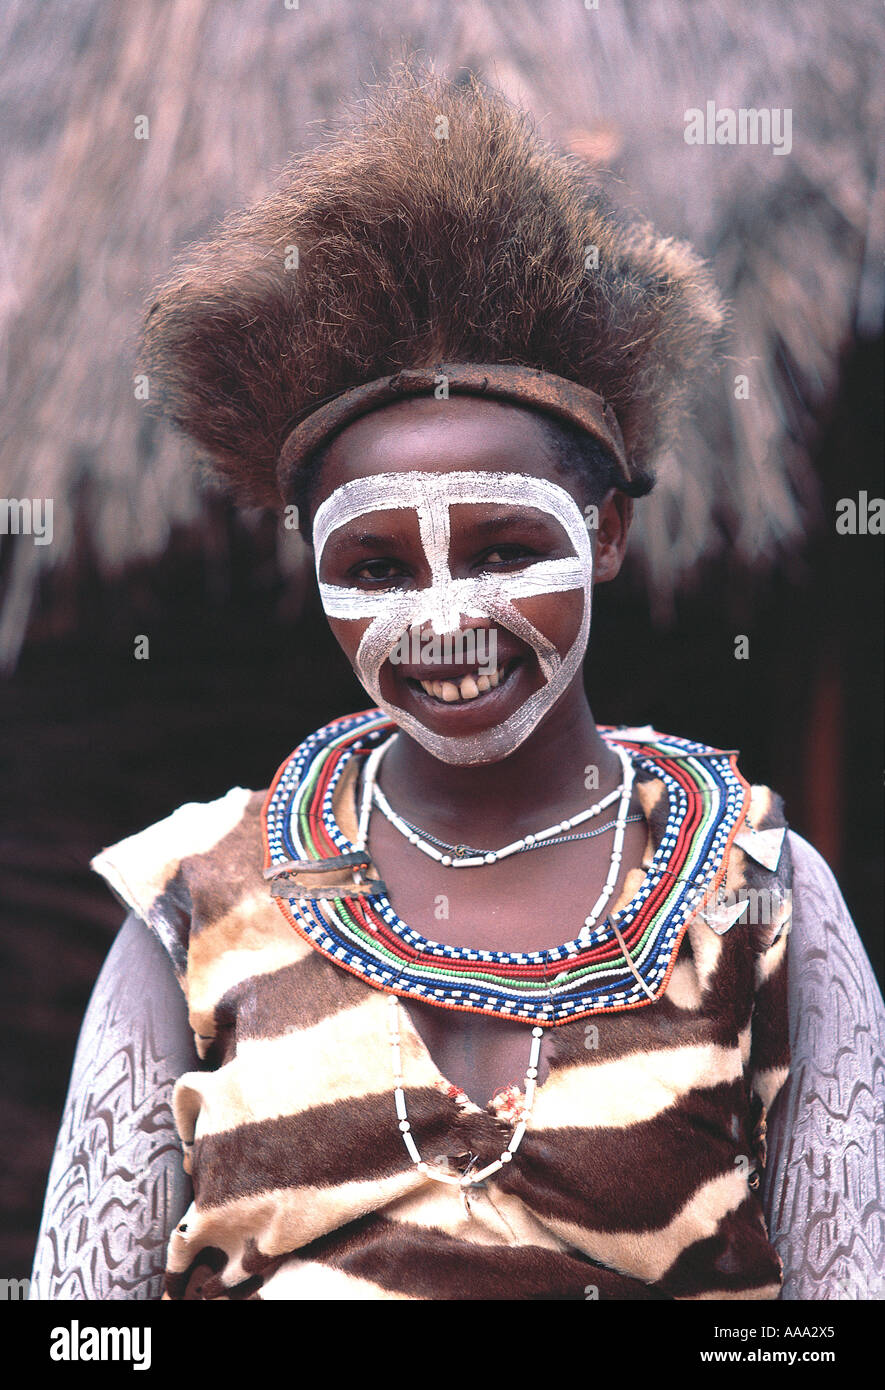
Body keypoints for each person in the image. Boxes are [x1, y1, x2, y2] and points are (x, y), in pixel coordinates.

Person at [31, 66, 883, 1301]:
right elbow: (78, 1326)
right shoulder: (192, 909)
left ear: (605, 537)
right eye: (376, 565)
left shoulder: (761, 898)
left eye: (505, 550)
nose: (444, 622)